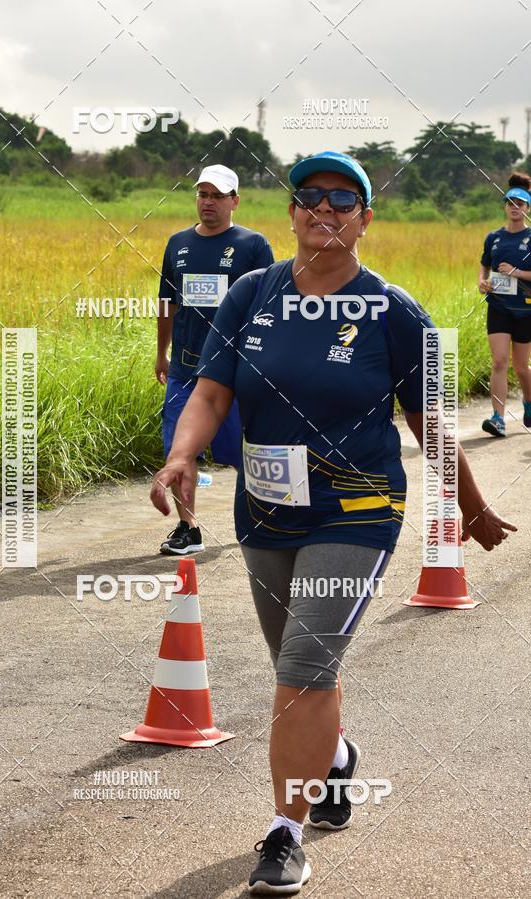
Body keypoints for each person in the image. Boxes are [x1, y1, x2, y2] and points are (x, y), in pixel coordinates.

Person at [150, 151, 516, 894]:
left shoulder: (392, 311)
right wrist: (182, 454)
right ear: (289, 211)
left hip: (357, 509)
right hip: (264, 513)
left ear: (365, 219)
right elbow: (212, 391)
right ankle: (336, 757)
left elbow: (430, 422)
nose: (324, 208)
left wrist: (470, 507)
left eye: (342, 200)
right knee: (301, 672)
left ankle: (286, 833)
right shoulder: (252, 293)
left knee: (301, 671)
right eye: (309, 196)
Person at [156, 163, 274, 555]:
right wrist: (161, 353)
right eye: (202, 194)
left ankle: (262, 515)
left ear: (235, 201)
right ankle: (187, 527)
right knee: (179, 448)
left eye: (217, 195)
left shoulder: (252, 245)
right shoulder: (177, 244)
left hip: (234, 371)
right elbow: (167, 303)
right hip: (186, 369)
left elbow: (268, 309)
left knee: (246, 450)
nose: (208, 202)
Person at [478, 172, 531, 436]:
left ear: (527, 208)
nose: (514, 207)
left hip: (525, 310)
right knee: (499, 361)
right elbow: (484, 265)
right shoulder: (493, 237)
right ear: (505, 205)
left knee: (521, 367)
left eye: (520, 204)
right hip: (498, 306)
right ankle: (498, 418)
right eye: (510, 202)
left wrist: (517, 273)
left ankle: (529, 404)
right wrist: (482, 282)